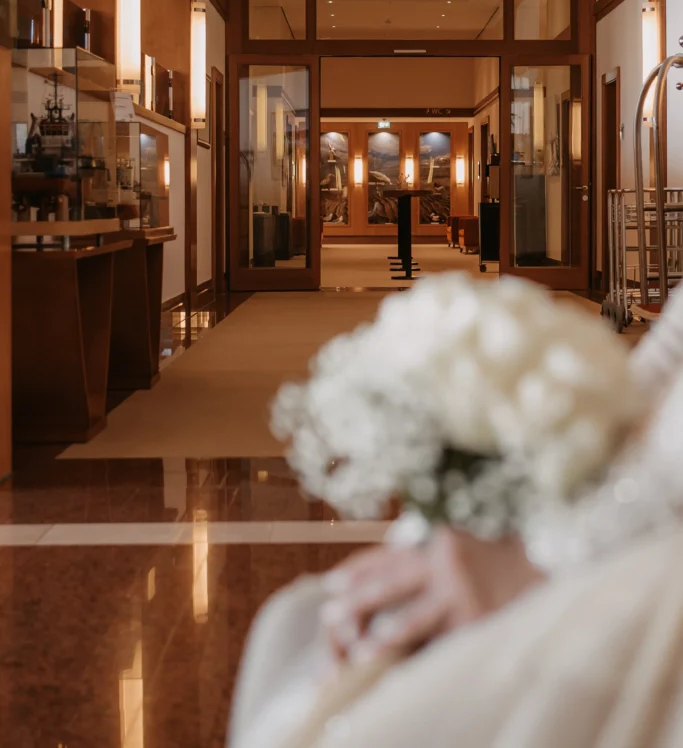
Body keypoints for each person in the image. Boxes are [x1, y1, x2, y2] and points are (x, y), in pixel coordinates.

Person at [229, 287, 683, 748]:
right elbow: (667, 354)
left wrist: (543, 555)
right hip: (624, 504)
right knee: (296, 621)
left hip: (658, 577)